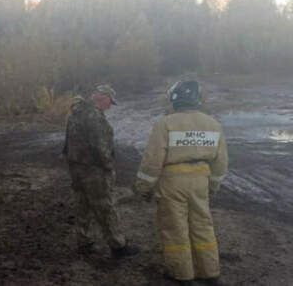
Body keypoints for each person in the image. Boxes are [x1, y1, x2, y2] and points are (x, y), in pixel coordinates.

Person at [135, 81, 228, 286]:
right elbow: (221, 163)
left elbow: (152, 161)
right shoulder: (213, 124)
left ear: (175, 99)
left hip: (172, 183)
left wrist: (143, 187)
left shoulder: (165, 124)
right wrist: (213, 186)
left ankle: (182, 275)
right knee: (203, 225)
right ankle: (210, 273)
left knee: (175, 227)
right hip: (200, 182)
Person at [63, 84, 139, 258]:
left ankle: (84, 241)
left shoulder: (76, 111)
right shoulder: (94, 116)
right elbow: (100, 147)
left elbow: (69, 141)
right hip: (94, 170)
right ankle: (118, 246)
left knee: (82, 204)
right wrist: (108, 166)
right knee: (105, 207)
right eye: (110, 102)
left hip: (76, 167)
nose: (110, 106)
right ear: (103, 98)